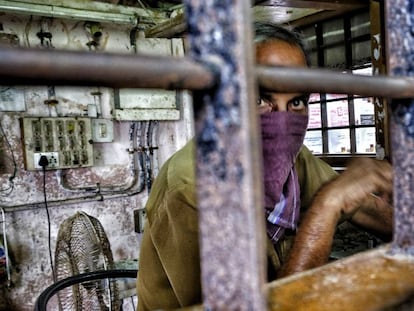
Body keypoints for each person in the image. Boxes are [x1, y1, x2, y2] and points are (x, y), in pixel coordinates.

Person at [136, 22, 393, 310]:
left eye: (296, 101)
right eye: (260, 99)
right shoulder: (193, 187)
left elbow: (366, 208)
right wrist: (326, 208)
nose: (282, 123)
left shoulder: (294, 159)